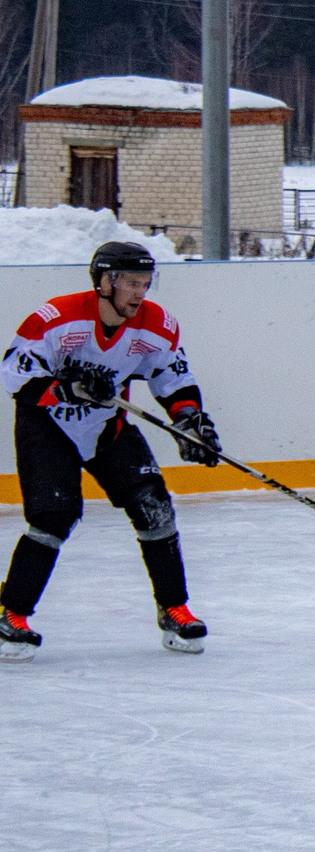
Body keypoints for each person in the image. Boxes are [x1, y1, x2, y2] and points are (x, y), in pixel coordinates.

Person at [3, 240, 219, 658]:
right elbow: (15, 375)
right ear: (104, 282)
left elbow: (172, 379)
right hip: (48, 426)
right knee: (53, 517)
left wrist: (190, 421)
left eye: (145, 283)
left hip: (106, 427)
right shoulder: (57, 318)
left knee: (155, 506)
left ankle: (174, 607)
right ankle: (12, 614)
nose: (140, 293)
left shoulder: (157, 325)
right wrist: (68, 387)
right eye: (132, 283)